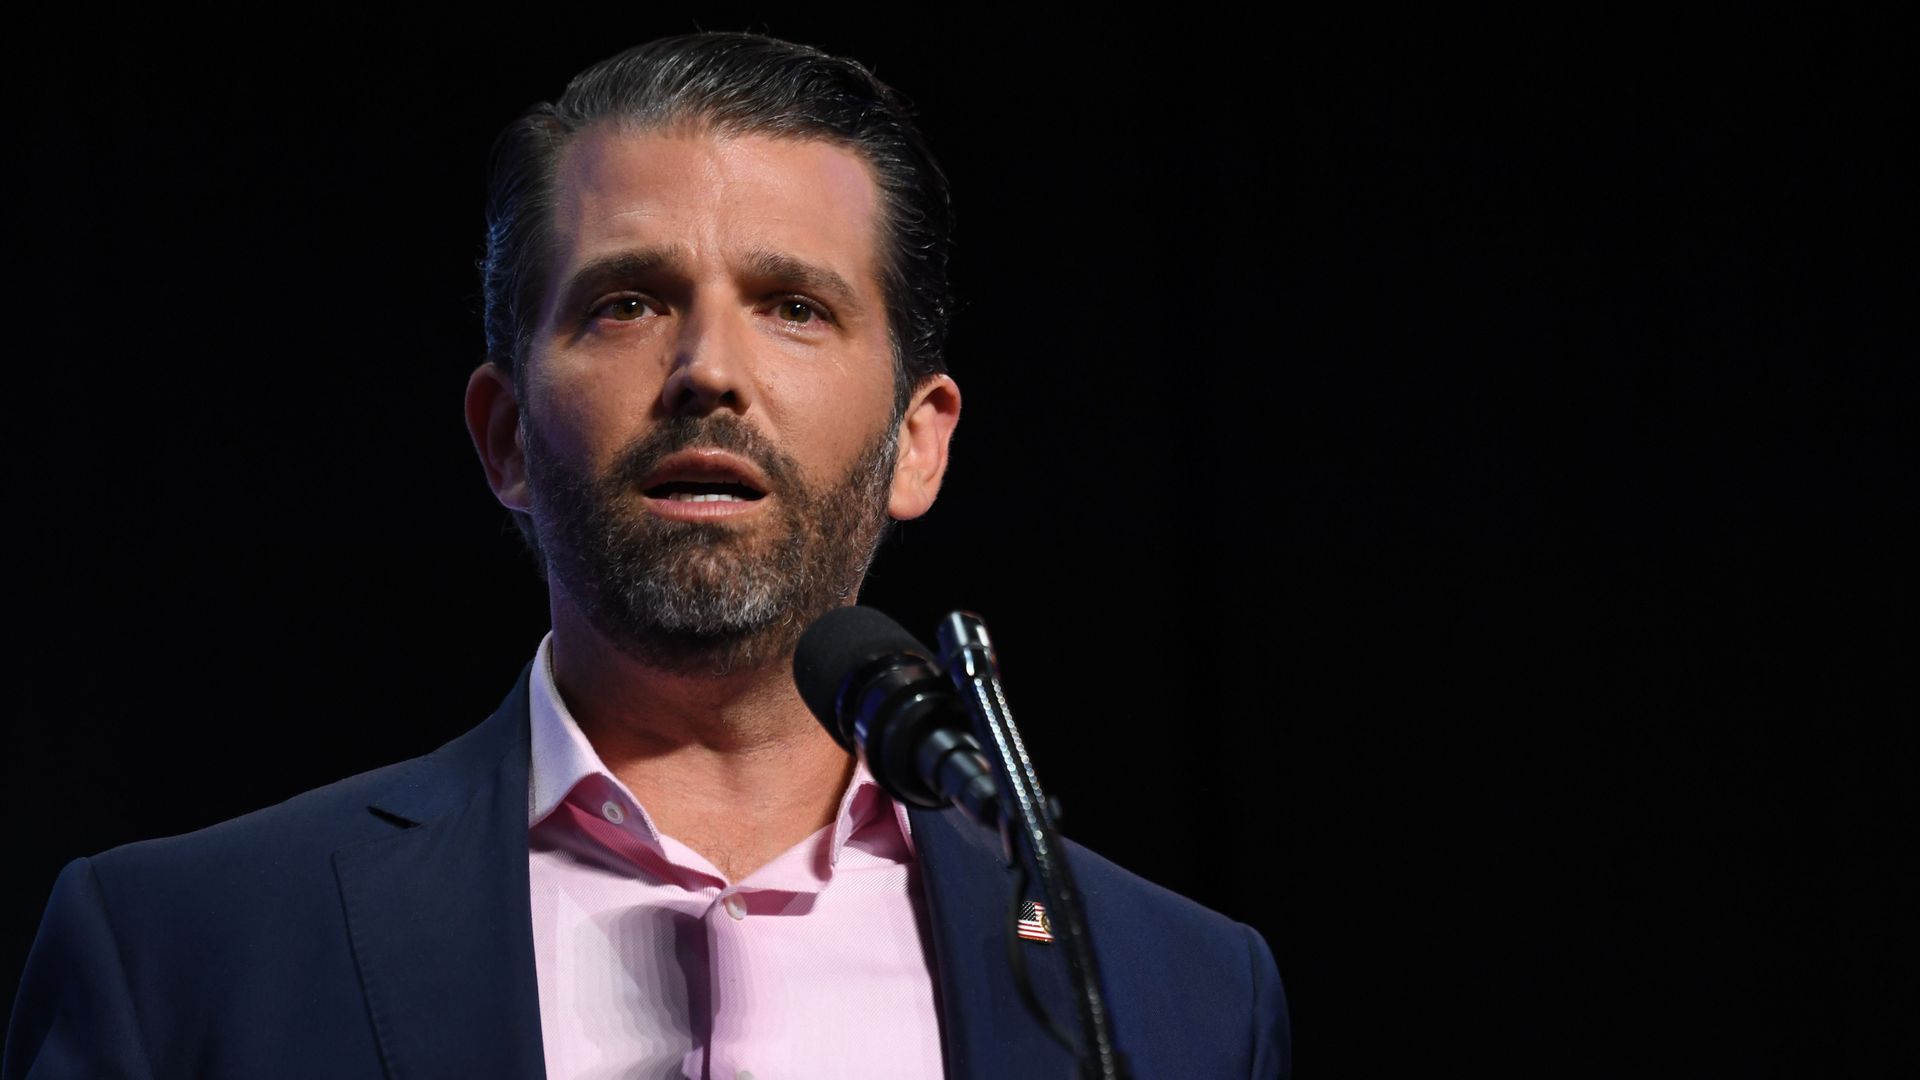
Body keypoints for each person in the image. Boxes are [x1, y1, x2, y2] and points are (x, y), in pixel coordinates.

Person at [4, 33, 1288, 1080]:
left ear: (917, 441)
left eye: (794, 307)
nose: (708, 374)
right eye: (627, 303)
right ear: (505, 438)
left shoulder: (1177, 996)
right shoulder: (180, 955)